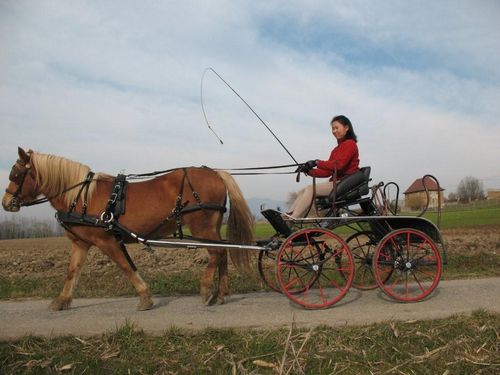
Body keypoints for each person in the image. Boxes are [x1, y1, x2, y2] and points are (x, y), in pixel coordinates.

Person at [288, 115, 360, 218]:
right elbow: (327, 172)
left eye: (336, 128)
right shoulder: (335, 150)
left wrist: (317, 162)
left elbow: (338, 166)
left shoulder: (350, 144)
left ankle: (293, 217)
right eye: (333, 129)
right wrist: (309, 171)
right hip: (336, 183)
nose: (334, 131)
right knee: (302, 192)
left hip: (344, 183)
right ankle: (288, 215)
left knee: (310, 189)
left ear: (346, 128)